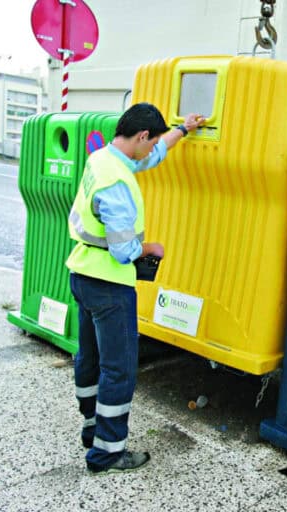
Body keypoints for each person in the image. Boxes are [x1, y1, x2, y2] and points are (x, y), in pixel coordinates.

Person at [66, 103, 204, 474]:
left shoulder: (103, 159)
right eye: (152, 140)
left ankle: (92, 428)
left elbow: (149, 158)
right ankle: (107, 453)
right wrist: (151, 248)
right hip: (110, 285)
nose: (152, 148)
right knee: (119, 369)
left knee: (90, 358)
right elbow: (124, 249)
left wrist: (182, 130)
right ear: (141, 136)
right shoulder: (118, 184)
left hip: (82, 272)